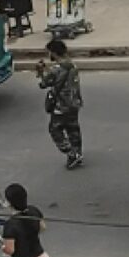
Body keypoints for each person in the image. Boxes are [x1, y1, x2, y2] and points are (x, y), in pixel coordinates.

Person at [37, 39, 84, 170]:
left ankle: (71, 153)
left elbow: (43, 84)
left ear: (54, 53)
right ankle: (77, 153)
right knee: (73, 129)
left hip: (61, 106)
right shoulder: (72, 66)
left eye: (49, 52)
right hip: (75, 103)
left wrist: (41, 72)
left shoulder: (56, 70)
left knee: (55, 129)